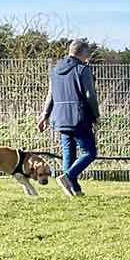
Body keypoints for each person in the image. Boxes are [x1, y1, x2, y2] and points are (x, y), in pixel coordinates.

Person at [38, 38, 100, 196]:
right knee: (89, 153)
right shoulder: (82, 69)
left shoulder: (56, 70)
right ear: (83, 53)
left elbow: (50, 95)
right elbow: (89, 95)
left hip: (60, 117)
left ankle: (74, 189)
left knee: (68, 153)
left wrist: (44, 115)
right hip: (79, 117)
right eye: (88, 53)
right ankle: (69, 176)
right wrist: (95, 115)